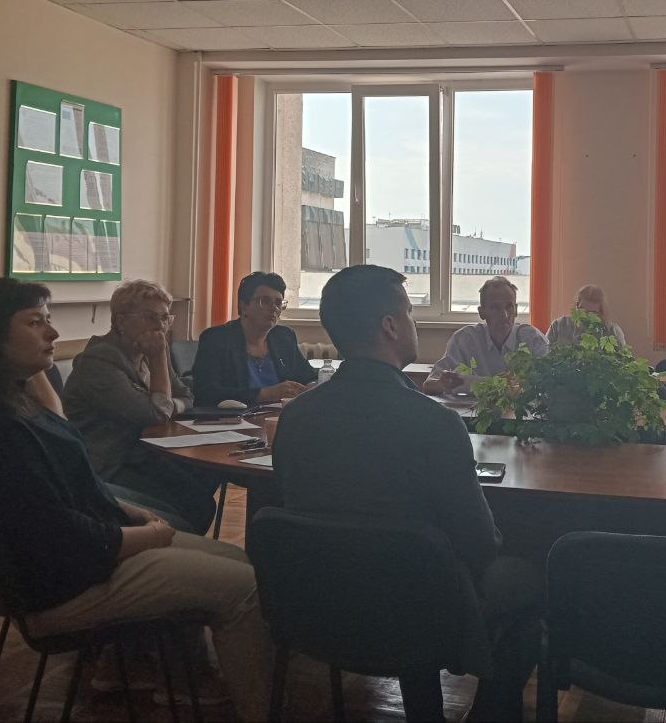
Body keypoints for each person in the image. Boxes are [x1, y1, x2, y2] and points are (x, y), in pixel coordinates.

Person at [0, 277, 270, 719]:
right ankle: (253, 704)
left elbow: (76, 484)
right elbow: (59, 534)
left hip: (81, 558)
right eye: (36, 322)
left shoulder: (9, 400)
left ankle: (163, 667)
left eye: (49, 320)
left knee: (237, 559)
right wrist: (149, 535)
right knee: (245, 586)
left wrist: (134, 514)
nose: (53, 333)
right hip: (67, 583)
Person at [275, 265, 541, 722]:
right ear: (390, 326)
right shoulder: (435, 424)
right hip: (422, 607)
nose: (414, 324)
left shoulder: (295, 418)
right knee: (531, 580)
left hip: (322, 601)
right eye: (411, 315)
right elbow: (480, 547)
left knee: (402, 561)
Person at [64, 280, 217, 535]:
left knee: (201, 499)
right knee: (189, 510)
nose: (160, 326)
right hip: (109, 465)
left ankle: (178, 550)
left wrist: (167, 403)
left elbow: (186, 396)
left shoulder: (147, 351)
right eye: (150, 317)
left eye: (165, 318)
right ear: (120, 321)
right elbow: (156, 414)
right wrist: (158, 362)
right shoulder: (99, 361)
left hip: (143, 455)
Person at [192, 271, 313, 407]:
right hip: (235, 417)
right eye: (265, 301)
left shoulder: (284, 337)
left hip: (280, 415)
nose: (274, 308)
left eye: (278, 303)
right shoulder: (216, 339)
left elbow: (308, 376)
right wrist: (266, 394)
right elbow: (206, 393)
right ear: (244, 306)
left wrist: (312, 386)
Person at [424, 276, 548, 395]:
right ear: (481, 312)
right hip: (471, 409)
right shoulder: (465, 339)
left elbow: (550, 384)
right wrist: (442, 384)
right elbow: (428, 385)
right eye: (495, 308)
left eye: (509, 307)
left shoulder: (532, 339)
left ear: (515, 310)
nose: (504, 315)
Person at [546, 284, 627, 349]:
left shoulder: (613, 331)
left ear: (601, 312)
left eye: (593, 313)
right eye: (583, 311)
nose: (586, 317)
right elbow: (544, 354)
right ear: (577, 306)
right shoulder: (558, 325)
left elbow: (623, 360)